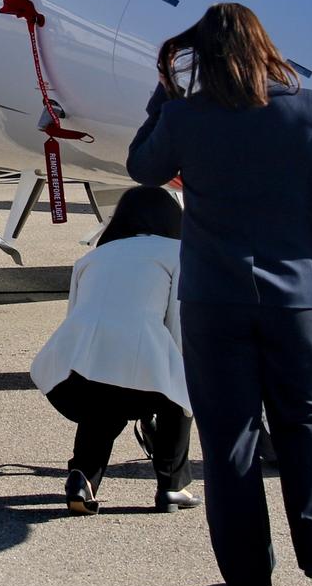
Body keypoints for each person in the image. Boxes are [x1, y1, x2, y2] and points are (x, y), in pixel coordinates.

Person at [125, 3, 312, 586]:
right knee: (308, 422)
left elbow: (142, 168)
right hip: (298, 298)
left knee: (228, 435)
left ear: (202, 57)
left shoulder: (185, 117)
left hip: (215, 297)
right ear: (265, 47)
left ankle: (249, 572)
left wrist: (165, 95)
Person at [31, 186, 199, 516]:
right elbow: (178, 326)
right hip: (136, 370)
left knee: (103, 403)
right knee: (180, 394)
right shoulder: (178, 254)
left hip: (69, 374)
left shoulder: (92, 257)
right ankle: (172, 485)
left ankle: (82, 478)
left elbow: (75, 315)